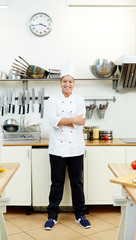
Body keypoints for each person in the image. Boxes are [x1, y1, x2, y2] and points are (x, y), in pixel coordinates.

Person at [44, 72, 91, 230]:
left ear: (73, 84)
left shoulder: (80, 100)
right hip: (57, 147)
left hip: (76, 148)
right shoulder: (52, 100)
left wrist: (62, 120)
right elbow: (52, 120)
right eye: (65, 81)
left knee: (77, 183)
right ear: (60, 83)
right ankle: (52, 216)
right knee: (56, 183)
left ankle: (80, 215)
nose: (67, 84)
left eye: (70, 82)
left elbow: (80, 122)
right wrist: (71, 119)